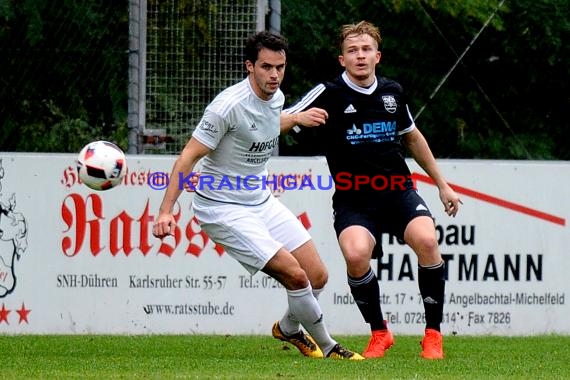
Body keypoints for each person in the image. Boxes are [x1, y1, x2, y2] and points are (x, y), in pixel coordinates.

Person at [152, 31, 363, 360]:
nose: (275, 75)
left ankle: (288, 328)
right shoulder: (227, 108)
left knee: (317, 275)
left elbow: (265, 124)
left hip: (260, 201)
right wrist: (166, 211)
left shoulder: (276, 97)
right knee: (294, 274)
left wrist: (295, 117)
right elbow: (188, 157)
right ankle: (330, 347)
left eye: (280, 67)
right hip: (222, 208)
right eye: (266, 67)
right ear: (250, 66)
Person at [280, 21, 462, 360]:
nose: (360, 56)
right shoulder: (328, 92)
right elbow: (273, 119)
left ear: (377, 56)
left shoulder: (393, 91)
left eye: (366, 50)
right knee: (355, 254)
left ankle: (433, 335)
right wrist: (298, 119)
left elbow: (412, 137)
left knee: (427, 240)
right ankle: (380, 333)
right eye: (352, 51)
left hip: (397, 191)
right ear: (342, 59)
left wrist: (443, 185)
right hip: (353, 198)